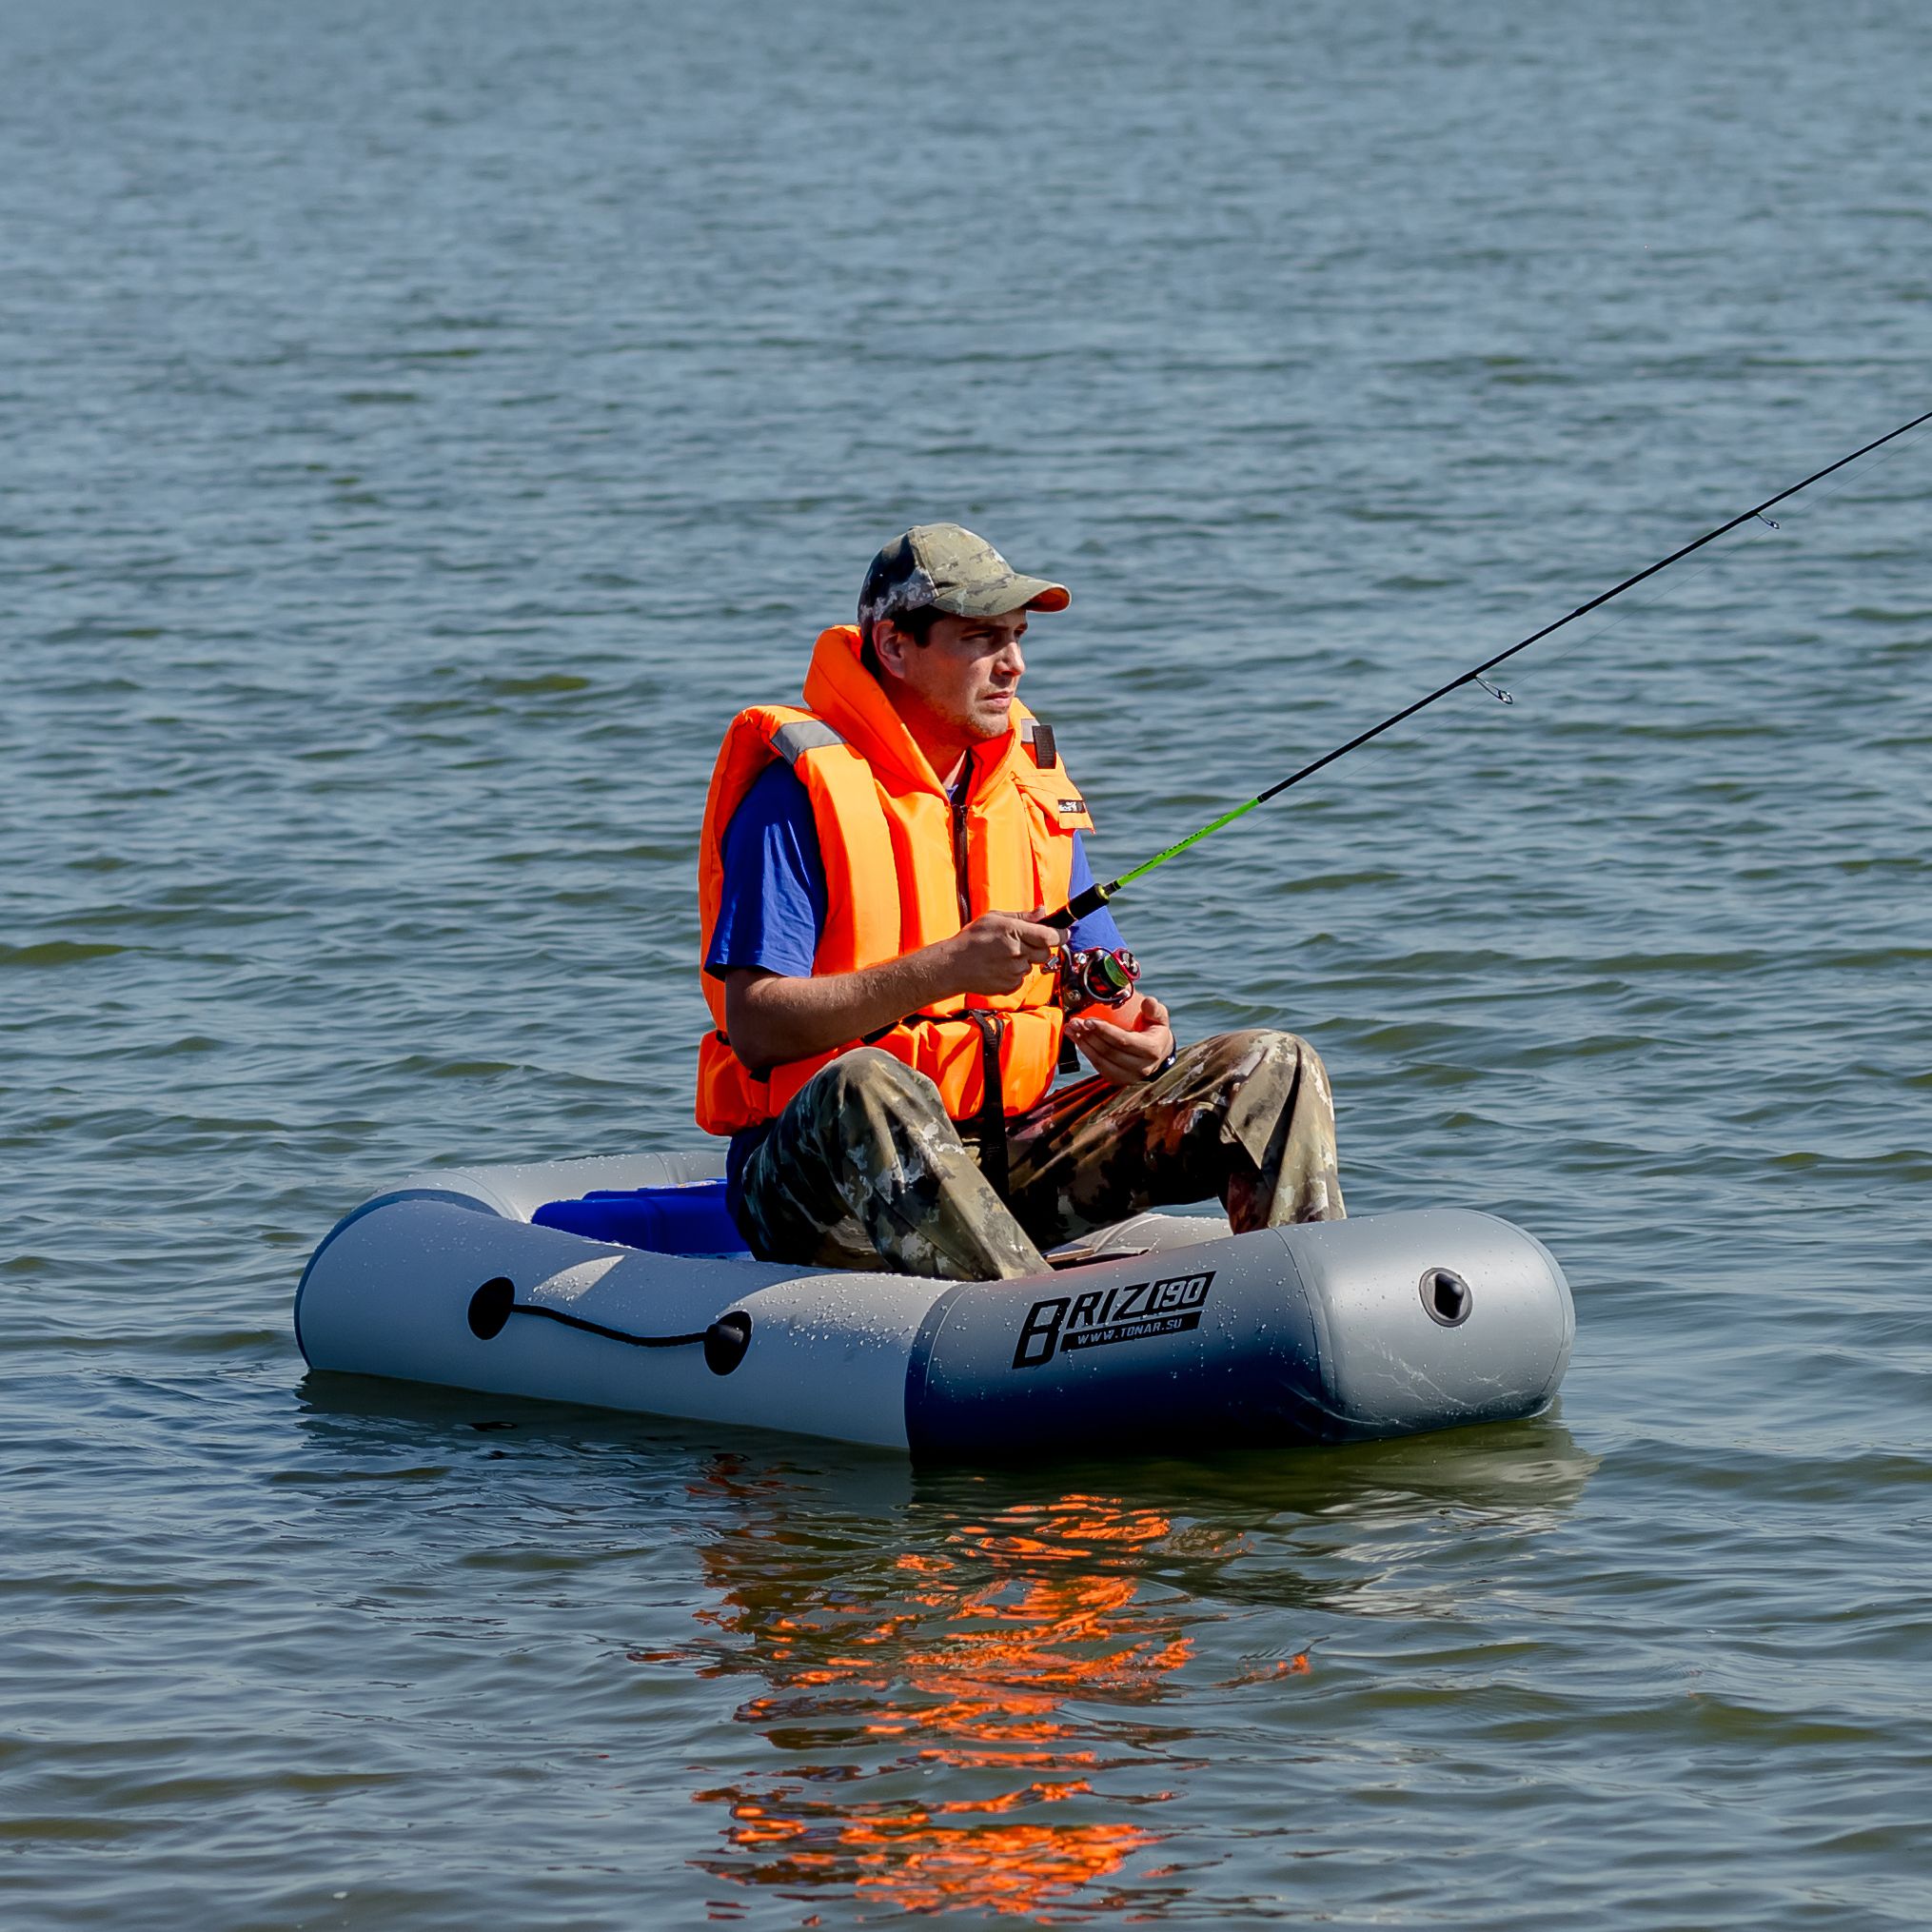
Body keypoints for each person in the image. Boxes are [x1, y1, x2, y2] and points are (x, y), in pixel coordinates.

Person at [696, 523, 1345, 1280]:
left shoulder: (1031, 791)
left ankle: (1312, 1298)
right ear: (894, 646)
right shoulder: (797, 797)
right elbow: (757, 1027)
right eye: (981, 639)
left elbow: (1103, 984)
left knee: (1272, 1063)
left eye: (1017, 636)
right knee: (866, 1080)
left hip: (1006, 1155)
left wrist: (1142, 1042)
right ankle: (1032, 1341)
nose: (1014, 664)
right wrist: (941, 970)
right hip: (824, 1185)